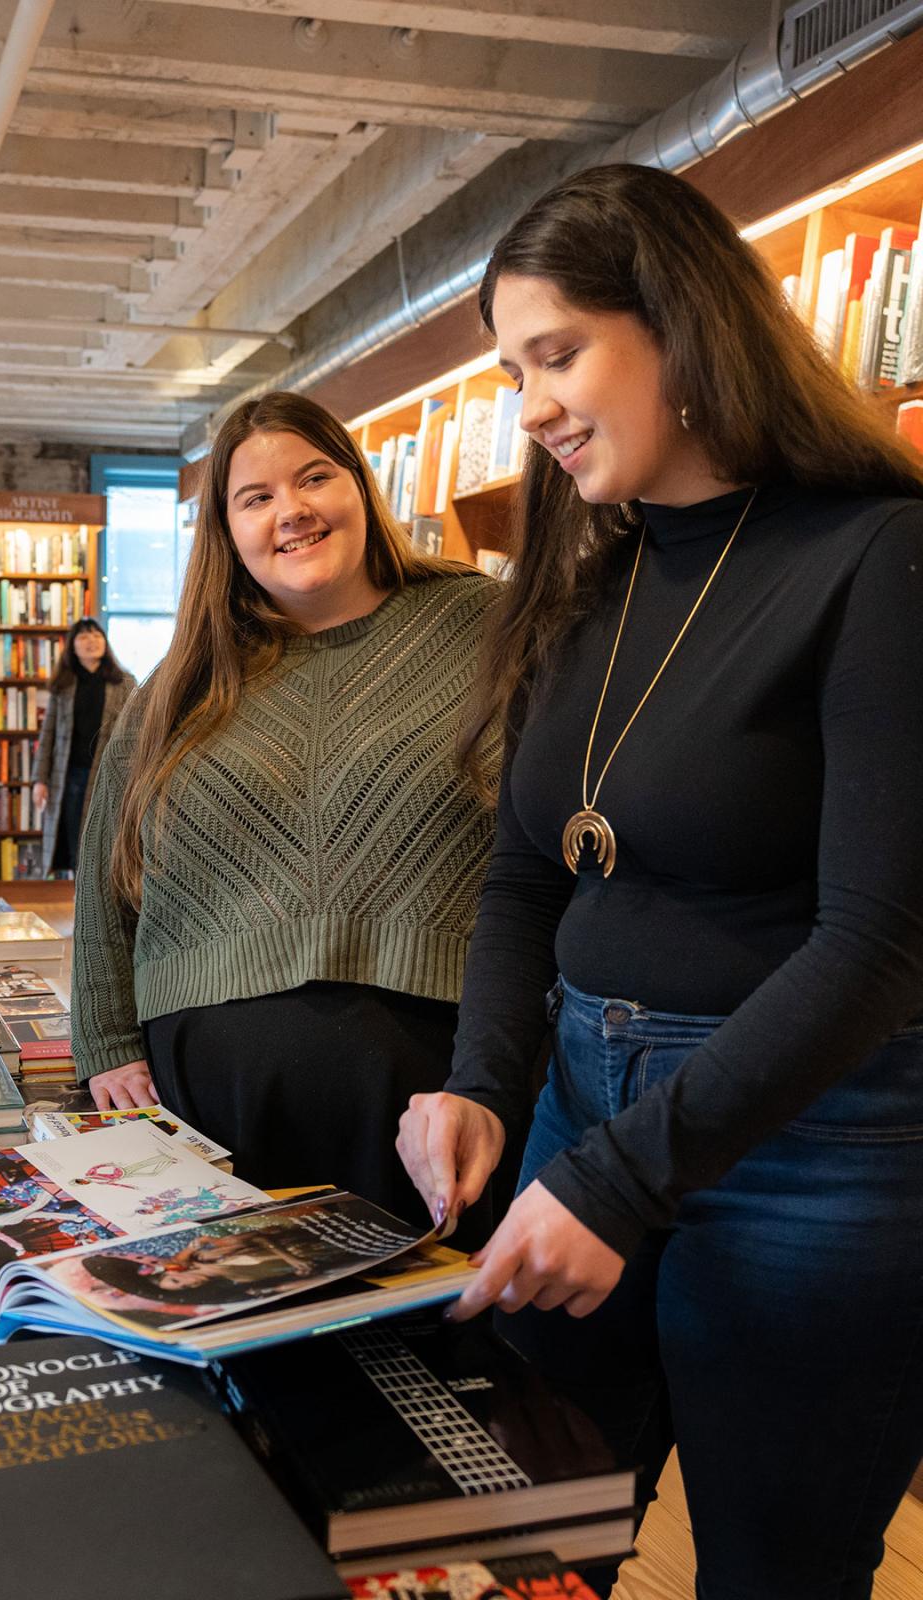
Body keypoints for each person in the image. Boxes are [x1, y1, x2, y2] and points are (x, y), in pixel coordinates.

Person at [395, 163, 923, 1597]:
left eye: (556, 354)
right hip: (582, 1098)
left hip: (817, 1143)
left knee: (774, 1568)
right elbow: (523, 877)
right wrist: (482, 1085)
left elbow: (883, 944)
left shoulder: (880, 557)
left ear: (685, 328)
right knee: (519, 1547)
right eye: (513, 371)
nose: (531, 408)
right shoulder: (586, 581)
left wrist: (622, 1176)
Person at [73, 391, 502, 1234]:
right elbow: (105, 868)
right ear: (227, 532)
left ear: (360, 487)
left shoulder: (480, 623)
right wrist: (105, 1037)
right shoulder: (186, 678)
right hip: (210, 1104)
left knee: (427, 1344)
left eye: (315, 478)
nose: (292, 511)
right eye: (256, 497)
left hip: (430, 1088)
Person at [31, 618, 136, 876]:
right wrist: (40, 780)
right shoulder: (64, 685)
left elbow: (136, 733)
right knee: (74, 840)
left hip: (110, 776)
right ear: (72, 647)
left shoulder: (124, 682)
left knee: (104, 844)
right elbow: (49, 735)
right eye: (84, 637)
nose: (92, 642)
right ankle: (78, 896)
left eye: (97, 636)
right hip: (71, 776)